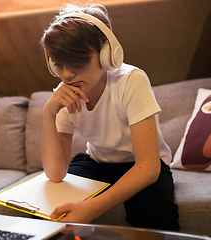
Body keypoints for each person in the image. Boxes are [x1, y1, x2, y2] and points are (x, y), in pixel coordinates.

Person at [40, 3, 180, 231]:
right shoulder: (64, 94)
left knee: (155, 211)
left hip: (142, 164)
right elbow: (55, 174)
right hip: (97, 163)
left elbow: (148, 167)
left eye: (77, 62)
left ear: (107, 55)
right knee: (50, 210)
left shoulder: (131, 81)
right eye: (59, 64)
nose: (66, 74)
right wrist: (48, 114)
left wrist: (93, 207)